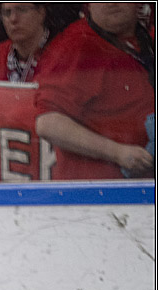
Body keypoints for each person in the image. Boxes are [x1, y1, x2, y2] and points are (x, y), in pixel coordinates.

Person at [35, 2, 155, 179]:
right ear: (87, 5)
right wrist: (118, 153)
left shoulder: (146, 38)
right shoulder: (75, 46)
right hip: (101, 193)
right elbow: (48, 124)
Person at [0, 3, 52, 83]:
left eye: (22, 10)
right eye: (7, 12)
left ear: (41, 13)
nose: (13, 19)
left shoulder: (64, 54)